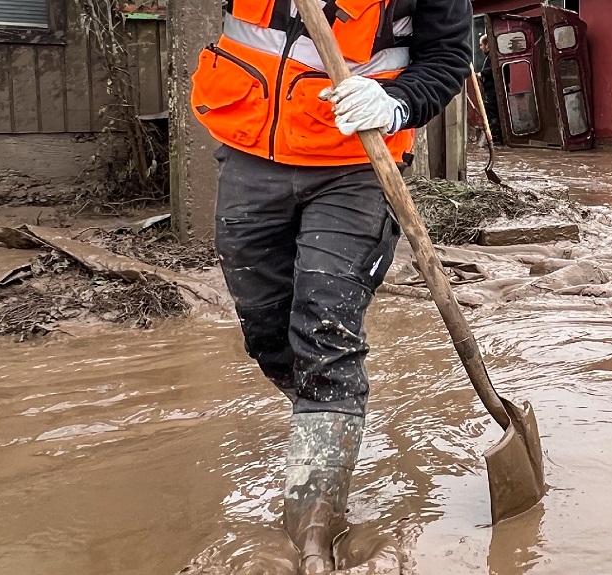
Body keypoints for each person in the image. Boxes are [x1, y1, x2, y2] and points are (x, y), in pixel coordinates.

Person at [188, 1, 471, 573]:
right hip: (251, 156)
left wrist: (395, 104)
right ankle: (323, 415)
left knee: (324, 322)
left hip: (355, 166)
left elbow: (446, 57)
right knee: (267, 330)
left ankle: (313, 530)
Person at [477, 34, 504, 145]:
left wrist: (482, 74)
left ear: (487, 45)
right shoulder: (490, 57)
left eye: (481, 45)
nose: (480, 48)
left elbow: (493, 69)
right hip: (491, 90)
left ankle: (496, 138)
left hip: (492, 91)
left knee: (492, 113)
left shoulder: (492, 58)